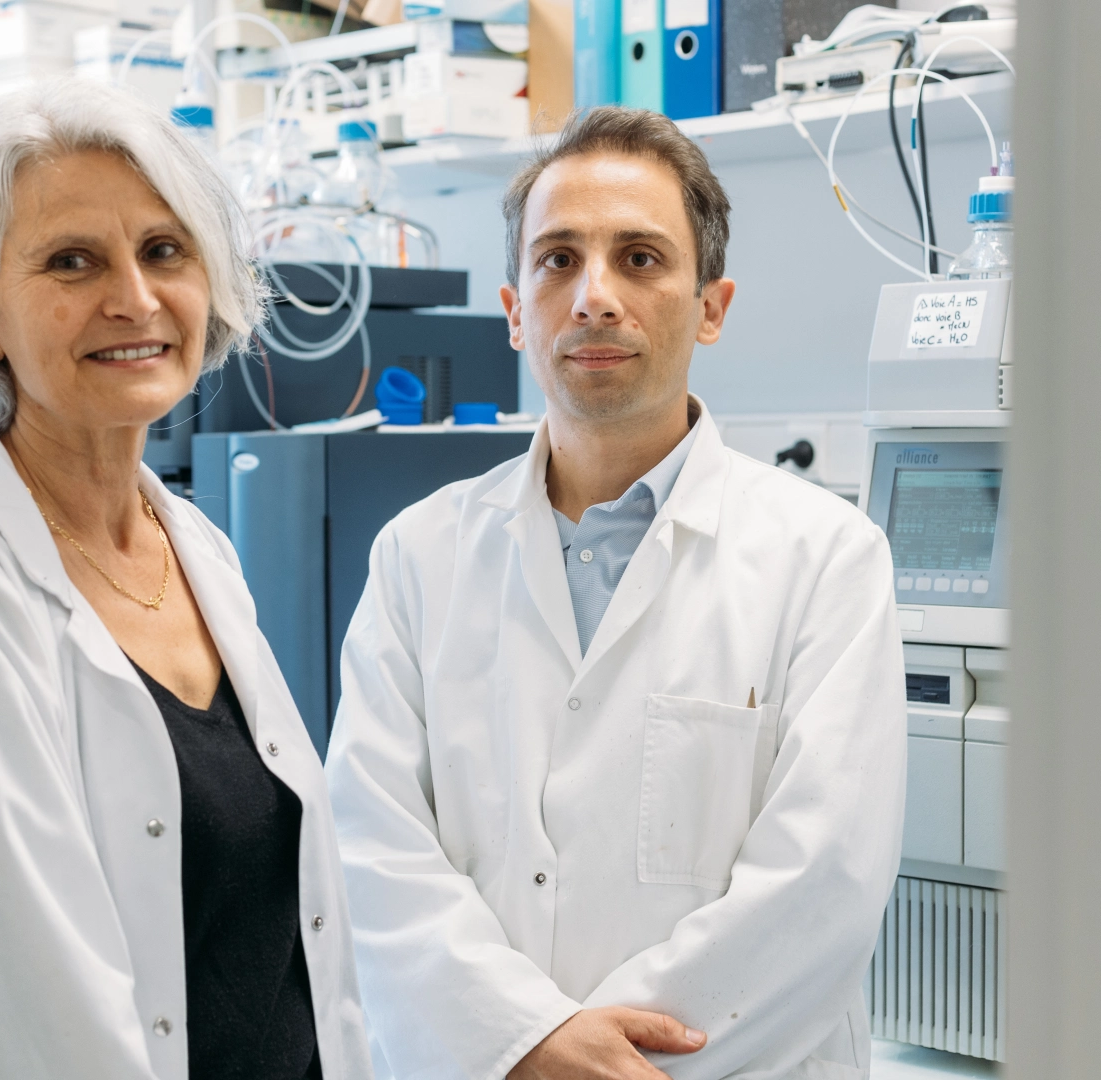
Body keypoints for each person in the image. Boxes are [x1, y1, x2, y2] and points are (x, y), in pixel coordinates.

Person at [324, 107, 906, 1080]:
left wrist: (600, 1063)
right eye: (558, 260)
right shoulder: (418, 557)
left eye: (640, 259)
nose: (594, 297)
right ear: (515, 309)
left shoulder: (827, 561)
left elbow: (822, 885)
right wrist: (523, 1043)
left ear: (712, 307)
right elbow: (372, 852)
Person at [0, 77, 373, 1080]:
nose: (134, 298)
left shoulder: (197, 548)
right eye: (71, 261)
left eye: (165, 250)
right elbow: (34, 1000)